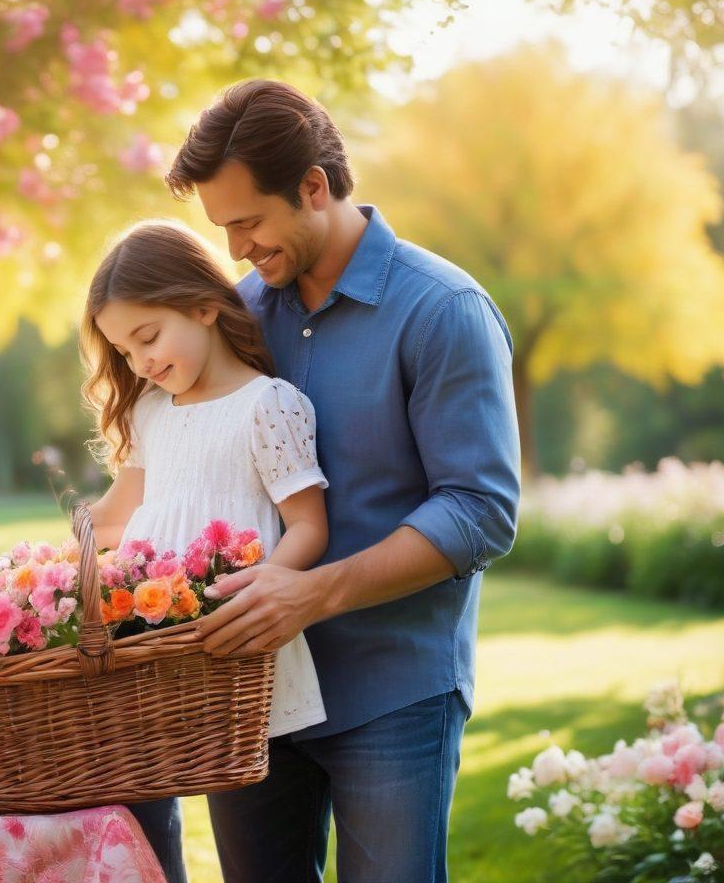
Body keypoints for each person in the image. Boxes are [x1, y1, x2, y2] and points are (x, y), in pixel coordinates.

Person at [165, 80, 521, 882]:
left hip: (394, 694)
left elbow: (480, 512)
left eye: (247, 222)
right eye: (221, 229)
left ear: (314, 187)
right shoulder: (243, 317)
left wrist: (315, 591)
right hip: (254, 692)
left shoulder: (444, 311)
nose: (235, 251)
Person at [81, 220, 332, 883]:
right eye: (123, 351)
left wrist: (264, 590)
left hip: (237, 658)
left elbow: (308, 524)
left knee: (259, 854)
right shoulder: (150, 416)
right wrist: (66, 549)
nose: (139, 363)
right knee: (140, 834)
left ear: (202, 305)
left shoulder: (267, 406)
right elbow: (116, 520)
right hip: (152, 661)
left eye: (147, 337)